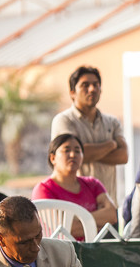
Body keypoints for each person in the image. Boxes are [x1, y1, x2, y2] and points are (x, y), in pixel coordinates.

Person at [51, 66, 128, 205]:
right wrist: (111, 145)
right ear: (72, 92)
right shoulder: (64, 121)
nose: (92, 89)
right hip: (76, 206)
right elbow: (71, 156)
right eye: (85, 85)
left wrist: (88, 152)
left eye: (96, 85)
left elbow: (123, 156)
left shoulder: (112, 122)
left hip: (108, 205)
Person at [31, 134, 117, 241]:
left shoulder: (93, 184)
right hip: (59, 249)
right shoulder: (43, 189)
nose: (72, 155)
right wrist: (96, 223)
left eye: (77, 151)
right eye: (66, 150)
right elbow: (64, 229)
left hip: (91, 249)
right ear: (53, 158)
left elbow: (112, 215)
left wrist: (77, 219)